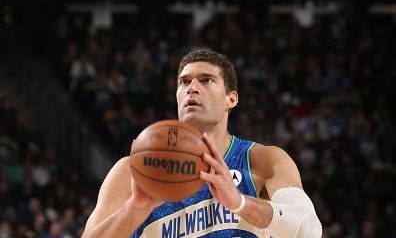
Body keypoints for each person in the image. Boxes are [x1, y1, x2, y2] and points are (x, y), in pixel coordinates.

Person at [82, 48, 322, 238]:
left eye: (206, 80)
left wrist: (238, 202)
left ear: (231, 98)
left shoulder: (262, 160)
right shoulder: (132, 171)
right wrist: (136, 208)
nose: (192, 89)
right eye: (184, 82)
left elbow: (308, 230)